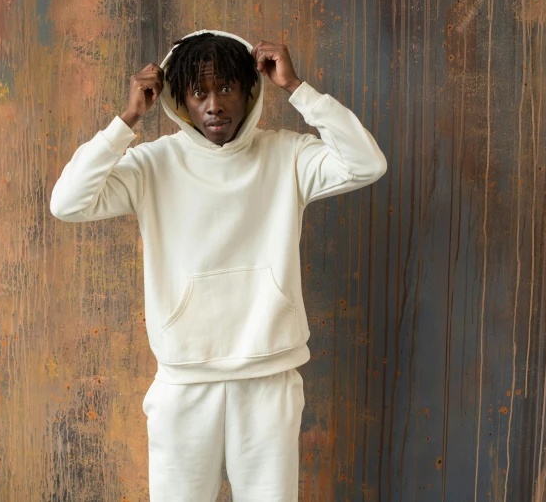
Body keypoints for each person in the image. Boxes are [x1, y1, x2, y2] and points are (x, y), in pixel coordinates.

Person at [50, 29, 387, 501]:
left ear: (250, 91)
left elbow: (366, 164)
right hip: (184, 383)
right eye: (199, 92)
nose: (213, 105)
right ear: (178, 98)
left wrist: (298, 89)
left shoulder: (287, 154)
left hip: (268, 379)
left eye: (226, 88)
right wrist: (127, 120)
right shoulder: (152, 164)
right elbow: (67, 203)